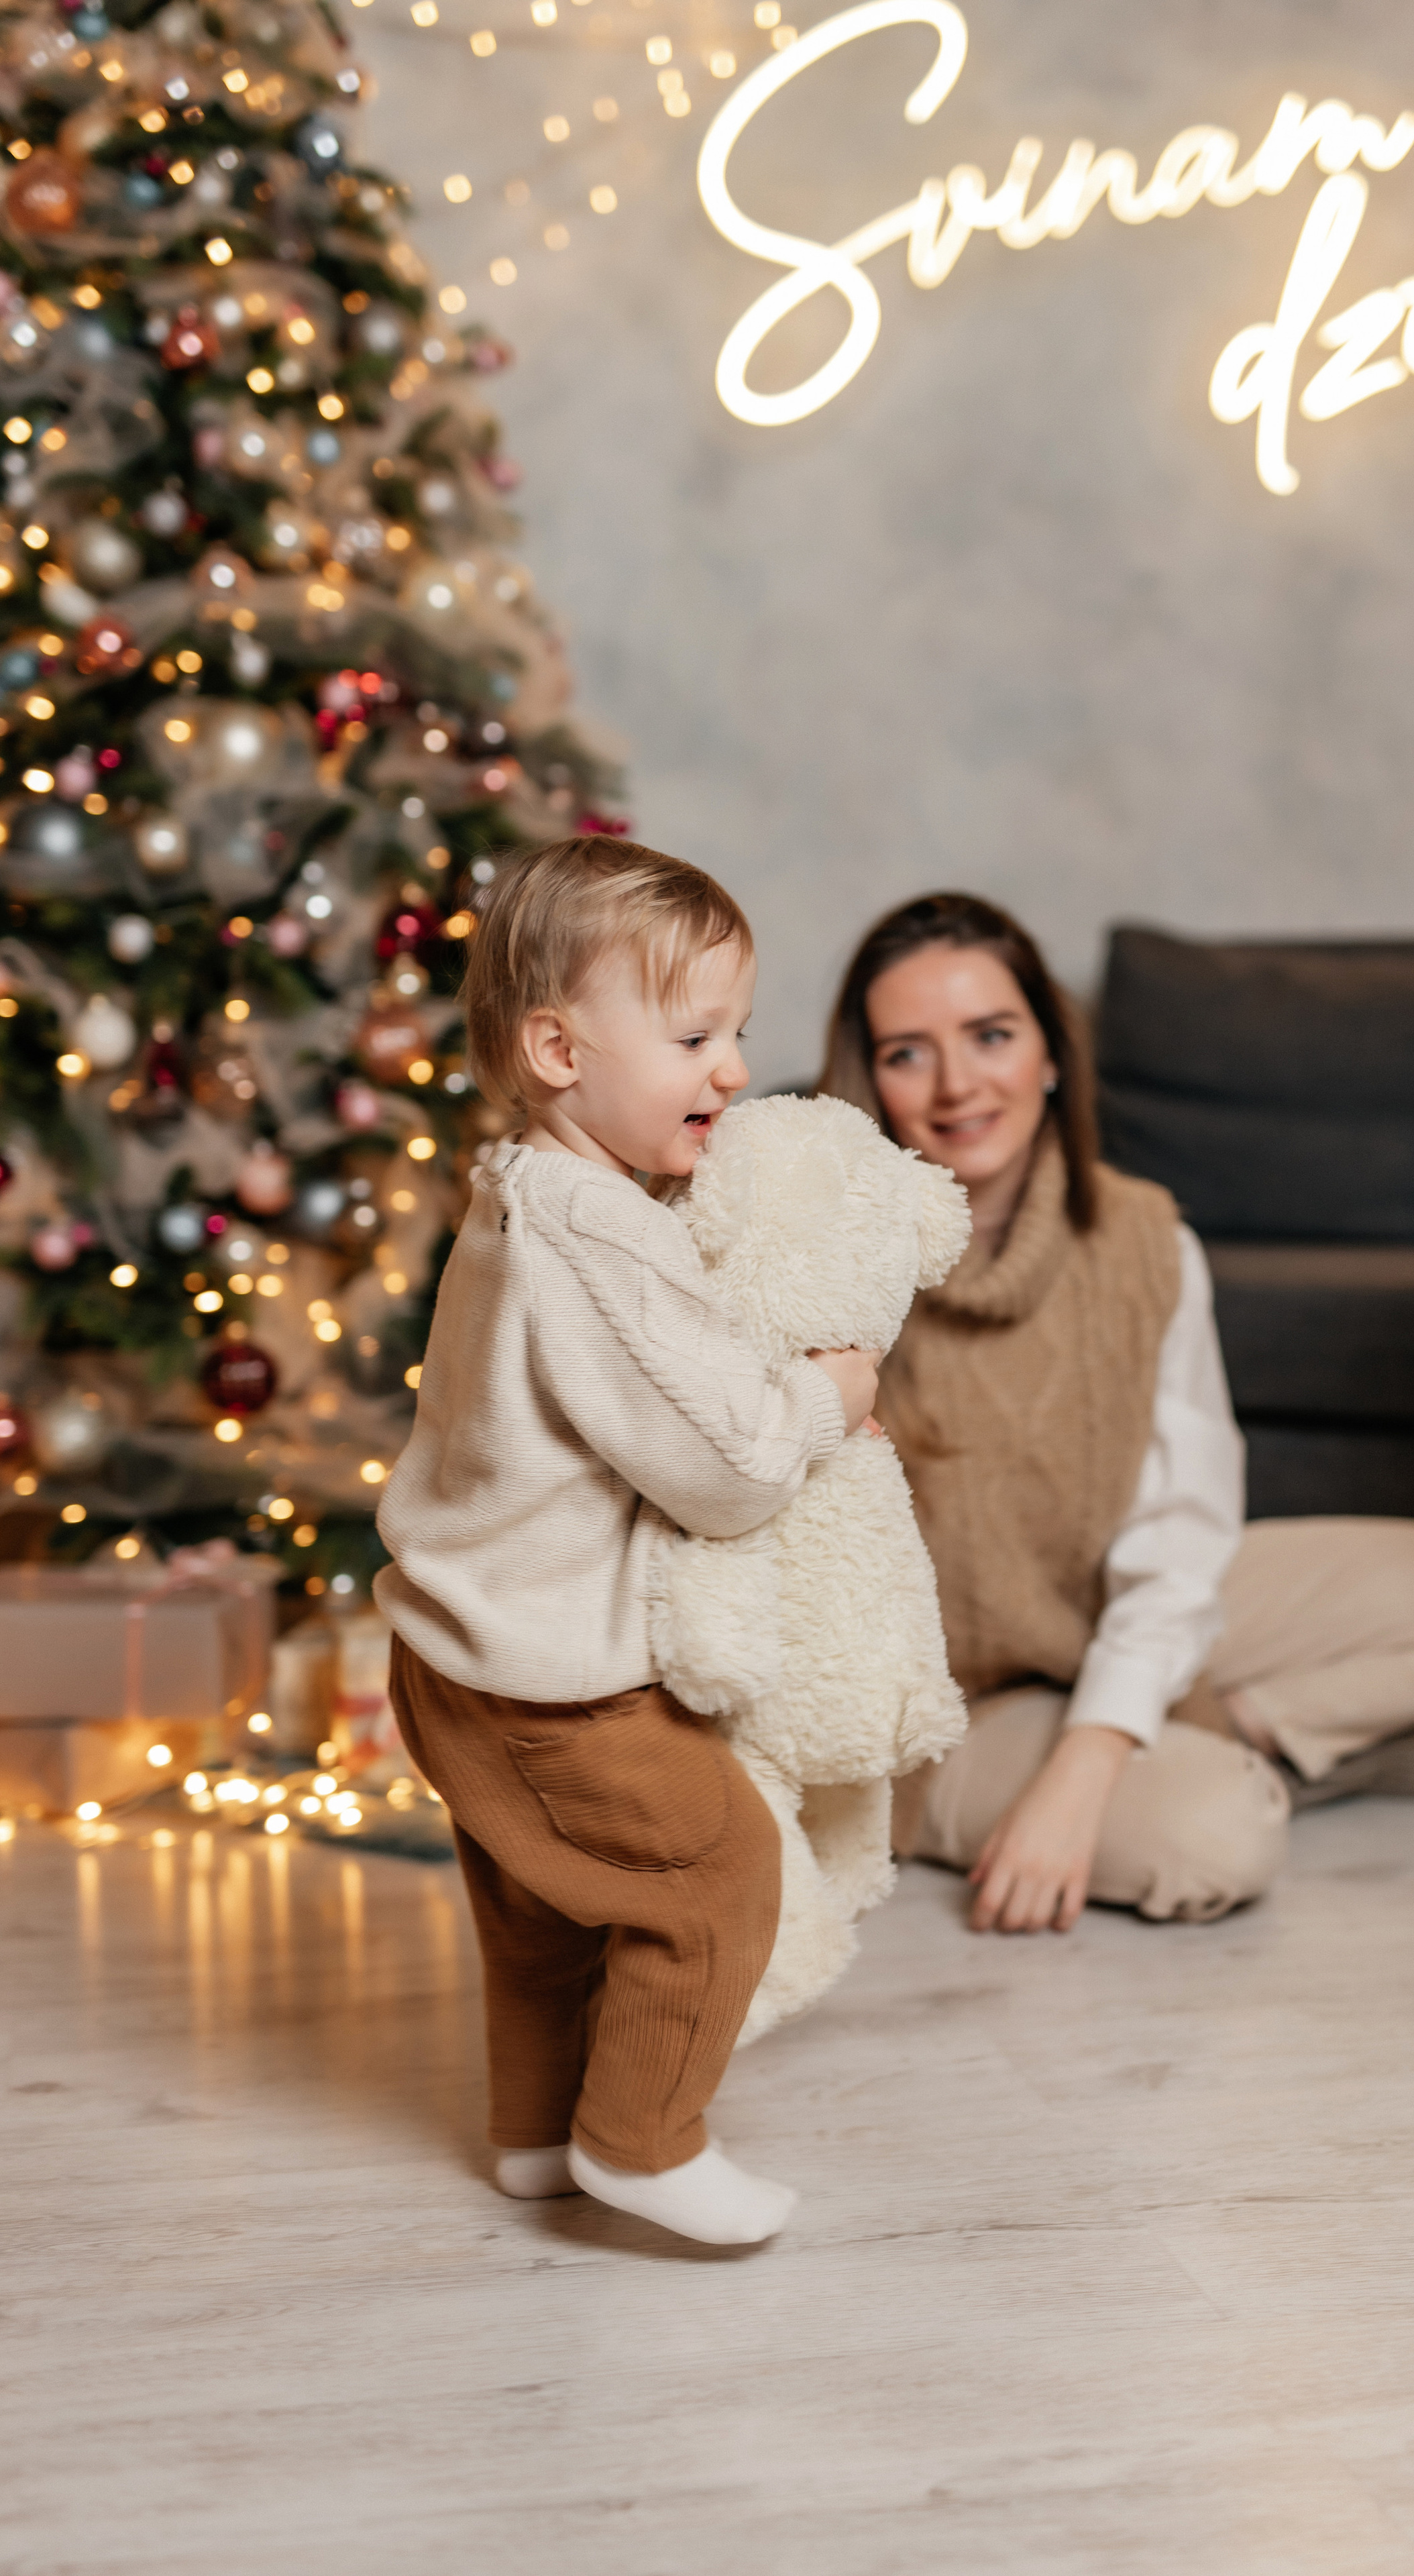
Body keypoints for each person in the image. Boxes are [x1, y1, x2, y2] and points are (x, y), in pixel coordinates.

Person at [820, 893, 1414, 1935]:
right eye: (909, 1053)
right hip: (944, 1703)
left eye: (991, 1035)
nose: (958, 1084)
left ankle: (1231, 1730)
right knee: (1220, 1839)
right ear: (870, 1078)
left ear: (1050, 1052)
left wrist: (1088, 1761)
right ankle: (1210, 1756)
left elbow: (1179, 1533)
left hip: (1096, 1611)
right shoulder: (822, 1261)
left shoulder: (1146, 1239)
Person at [375, 837, 879, 2242]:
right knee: (717, 1869)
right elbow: (725, 1468)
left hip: (458, 1653)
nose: (734, 1069)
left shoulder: (524, 1195)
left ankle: (537, 2137)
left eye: (737, 1033)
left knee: (544, 1917)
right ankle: (643, 2146)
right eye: (694, 1038)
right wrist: (824, 1399)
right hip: (549, 1685)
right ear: (557, 1051)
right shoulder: (595, 1239)